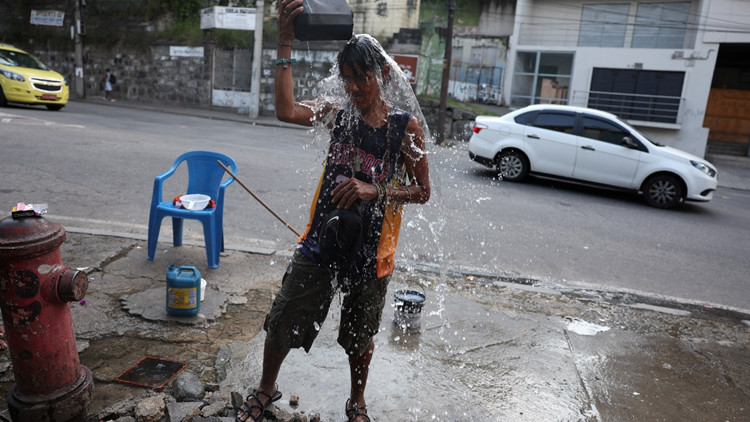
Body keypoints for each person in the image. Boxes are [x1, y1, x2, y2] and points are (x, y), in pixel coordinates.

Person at [235, 0, 431, 421]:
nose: (355, 88)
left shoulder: (404, 129)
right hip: (321, 240)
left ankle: (356, 401)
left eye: (362, 79)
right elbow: (286, 110)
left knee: (360, 337)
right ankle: (266, 389)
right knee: (286, 314)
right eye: (348, 80)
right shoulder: (336, 112)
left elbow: (422, 191)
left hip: (372, 253)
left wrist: (374, 188)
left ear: (380, 75)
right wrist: (284, 42)